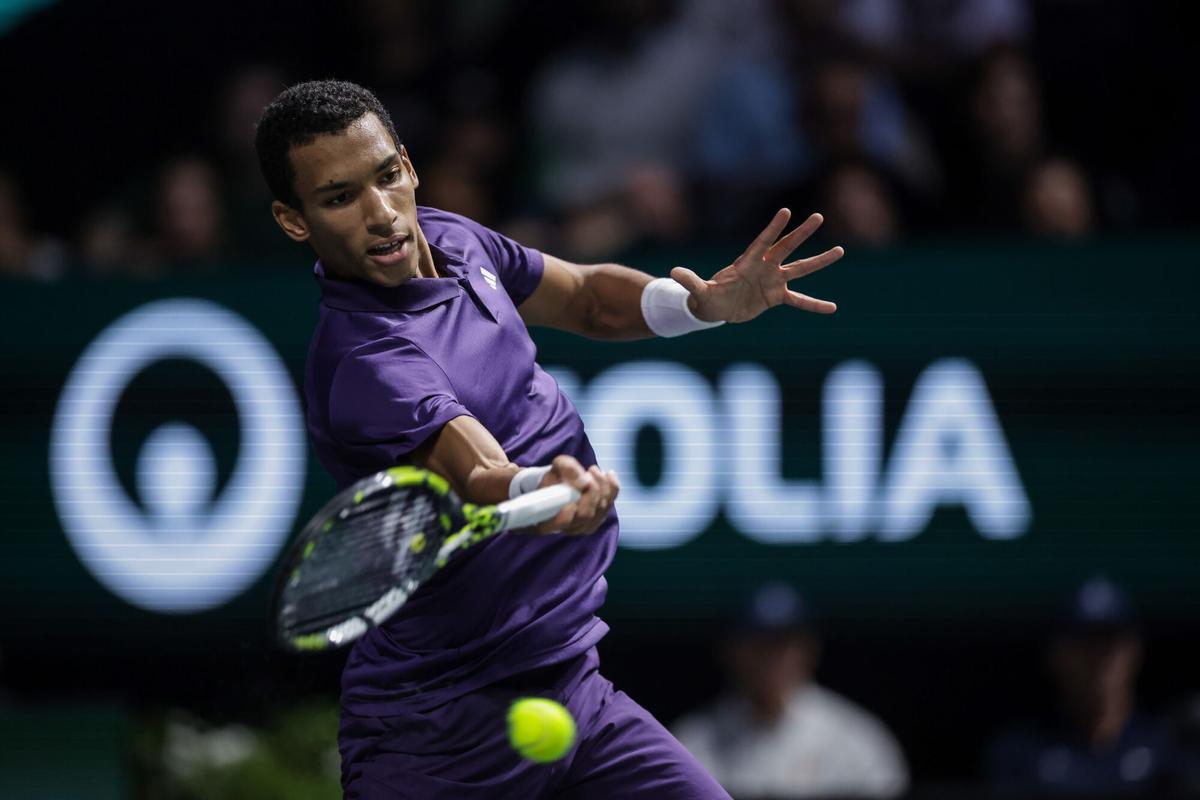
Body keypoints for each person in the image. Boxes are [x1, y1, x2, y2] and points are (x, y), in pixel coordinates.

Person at [254, 80, 845, 799]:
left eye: (385, 178)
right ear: (294, 219)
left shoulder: (454, 238)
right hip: (436, 737)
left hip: (573, 686)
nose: (381, 216)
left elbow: (589, 298)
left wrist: (700, 305)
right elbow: (479, 473)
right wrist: (545, 489)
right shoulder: (364, 360)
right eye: (340, 198)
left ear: (407, 165)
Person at [673, 582, 909, 798]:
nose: (771, 658)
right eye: (758, 643)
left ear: (810, 649)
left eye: (783, 643)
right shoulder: (693, 741)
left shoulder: (856, 738)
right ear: (732, 650)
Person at [985, 576, 1175, 793]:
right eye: (1085, 641)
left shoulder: (1167, 750)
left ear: (1134, 649)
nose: (1097, 658)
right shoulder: (1021, 753)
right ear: (1055, 653)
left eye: (1109, 640)